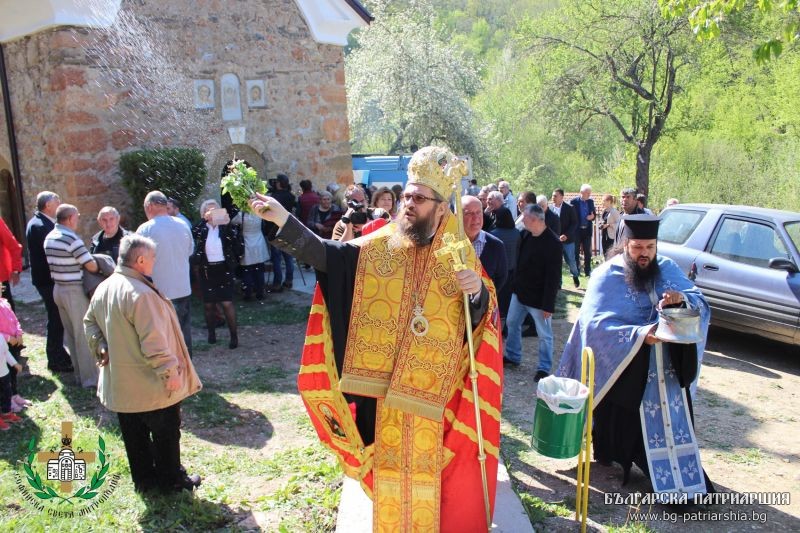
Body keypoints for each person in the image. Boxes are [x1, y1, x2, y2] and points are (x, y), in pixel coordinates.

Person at [249, 146, 502, 532]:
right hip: (383, 394)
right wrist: (283, 218)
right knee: (390, 482)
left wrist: (476, 294)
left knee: (435, 484)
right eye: (407, 196)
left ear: (440, 207)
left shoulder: (459, 253)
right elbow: (329, 256)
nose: (408, 204)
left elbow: (482, 321)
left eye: (419, 198)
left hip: (436, 395)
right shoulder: (381, 244)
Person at [557, 215, 714, 496]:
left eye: (650, 247)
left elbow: (700, 303)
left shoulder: (667, 268)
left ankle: (681, 483)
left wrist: (681, 301)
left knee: (670, 427)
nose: (644, 254)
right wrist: (640, 335)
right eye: (638, 247)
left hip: (666, 372)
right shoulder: (606, 274)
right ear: (626, 244)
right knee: (621, 424)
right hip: (626, 370)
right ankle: (613, 454)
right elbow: (593, 325)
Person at [84, 235, 203, 493]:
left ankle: (145, 481)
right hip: (150, 384)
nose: (154, 262)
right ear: (140, 260)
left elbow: (89, 322)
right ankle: (171, 481)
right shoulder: (141, 294)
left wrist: (101, 346)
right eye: (152, 258)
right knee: (166, 432)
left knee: (134, 434)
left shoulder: (105, 287)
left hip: (123, 384)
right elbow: (154, 342)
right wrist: (170, 373)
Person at [503, 205, 562, 381]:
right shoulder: (526, 235)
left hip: (539, 299)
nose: (522, 220)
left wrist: (548, 305)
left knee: (544, 334)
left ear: (535, 220)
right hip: (520, 293)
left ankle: (544, 368)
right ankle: (513, 355)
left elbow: (553, 277)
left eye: (525, 218)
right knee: (512, 323)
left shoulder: (553, 243)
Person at [44, 204, 99, 388]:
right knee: (83, 334)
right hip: (73, 290)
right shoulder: (70, 238)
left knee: (71, 334)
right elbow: (91, 265)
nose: (78, 219)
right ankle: (90, 379)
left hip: (58, 289)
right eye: (77, 216)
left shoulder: (50, 236)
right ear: (69, 219)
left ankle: (79, 375)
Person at [138, 191, 194, 357]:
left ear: (149, 206)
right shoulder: (183, 224)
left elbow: (139, 262)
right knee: (184, 333)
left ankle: (170, 368)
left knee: (164, 337)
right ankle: (187, 367)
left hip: (160, 291)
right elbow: (190, 251)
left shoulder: (145, 229)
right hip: (182, 287)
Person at [25, 192, 73, 372]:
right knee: (55, 318)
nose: (60, 204)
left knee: (57, 317)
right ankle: (55, 359)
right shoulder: (39, 225)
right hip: (46, 280)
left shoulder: (41, 223)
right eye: (57, 202)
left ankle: (59, 354)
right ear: (48, 206)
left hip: (46, 279)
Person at [192, 200, 241, 349]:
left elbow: (235, 241)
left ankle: (234, 336)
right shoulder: (201, 228)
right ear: (203, 213)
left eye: (215, 210)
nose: (212, 213)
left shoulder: (225, 227)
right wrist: (204, 221)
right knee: (209, 305)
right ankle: (211, 333)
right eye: (209, 210)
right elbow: (192, 233)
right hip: (207, 270)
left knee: (227, 303)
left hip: (224, 269)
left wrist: (227, 223)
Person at [231, 207, 269, 301]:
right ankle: (260, 293)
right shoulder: (259, 211)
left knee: (247, 270)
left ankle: (248, 294)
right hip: (259, 241)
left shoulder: (241, 214)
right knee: (259, 269)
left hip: (247, 243)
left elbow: (232, 222)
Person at [489, 206, 519, 321]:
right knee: (509, 296)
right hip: (513, 269)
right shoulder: (517, 233)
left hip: (498, 271)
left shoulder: (493, 234)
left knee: (498, 295)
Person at [268, 174, 296, 291]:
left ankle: (277, 283)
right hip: (287, 228)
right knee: (288, 257)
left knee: (277, 259)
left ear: (279, 183)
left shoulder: (273, 197)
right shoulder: (291, 196)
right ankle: (289, 281)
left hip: (275, 230)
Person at [550, 188, 580, 288]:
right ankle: (559, 283)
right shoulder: (550, 208)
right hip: (555, 240)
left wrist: (566, 235)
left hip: (568, 240)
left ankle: (575, 275)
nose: (553, 198)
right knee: (557, 262)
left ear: (562, 197)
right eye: (552, 195)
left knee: (570, 260)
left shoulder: (570, 208)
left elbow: (574, 223)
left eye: (555, 196)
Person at [570, 184, 596, 278]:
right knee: (575, 252)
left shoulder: (591, 202)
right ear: (581, 192)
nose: (589, 195)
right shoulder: (573, 202)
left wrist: (592, 217)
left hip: (587, 230)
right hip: (577, 231)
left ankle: (588, 271)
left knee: (587, 253)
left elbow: (594, 214)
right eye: (587, 193)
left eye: (590, 193)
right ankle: (576, 271)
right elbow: (570, 216)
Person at [599, 194, 621, 258]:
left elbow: (619, 224)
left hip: (611, 236)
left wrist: (609, 225)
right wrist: (601, 223)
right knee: (605, 253)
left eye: (603, 201)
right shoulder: (604, 211)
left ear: (609, 201)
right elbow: (603, 220)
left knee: (610, 254)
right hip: (604, 235)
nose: (602, 202)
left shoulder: (614, 211)